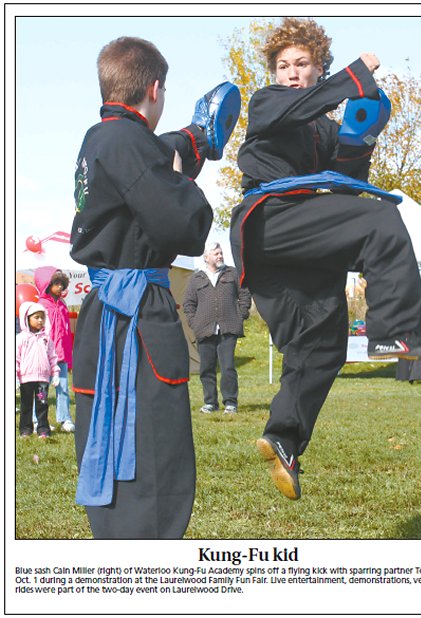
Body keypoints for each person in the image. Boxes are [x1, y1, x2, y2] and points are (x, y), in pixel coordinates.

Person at [229, 17, 421, 500]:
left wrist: (361, 137)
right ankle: (397, 332)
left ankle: (283, 438)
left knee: (321, 345)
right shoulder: (268, 103)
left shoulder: (321, 128)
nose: (291, 72)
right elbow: (305, 107)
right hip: (271, 218)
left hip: (304, 241)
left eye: (302, 64)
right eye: (283, 65)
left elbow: (342, 175)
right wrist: (357, 75)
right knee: (380, 222)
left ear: (317, 68)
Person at [69, 36, 239, 539]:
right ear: (155, 88)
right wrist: (186, 179)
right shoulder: (128, 144)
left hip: (104, 309)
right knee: (154, 452)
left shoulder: (100, 139)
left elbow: (145, 166)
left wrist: (191, 140)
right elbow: (185, 227)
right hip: (138, 315)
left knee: (114, 436)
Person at [183, 241, 252, 414]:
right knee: (207, 368)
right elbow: (188, 304)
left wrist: (241, 315)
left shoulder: (232, 273)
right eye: (216, 254)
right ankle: (210, 403)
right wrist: (194, 322)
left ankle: (230, 403)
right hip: (204, 329)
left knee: (228, 367)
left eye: (221, 253)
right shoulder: (196, 278)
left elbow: (244, 294)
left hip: (228, 328)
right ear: (206, 257)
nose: (220, 256)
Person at [34, 266, 75, 432]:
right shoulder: (40, 306)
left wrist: (69, 357)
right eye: (55, 283)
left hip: (62, 356)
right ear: (47, 284)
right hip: (45, 356)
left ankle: (65, 418)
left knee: (63, 388)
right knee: (42, 389)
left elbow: (65, 333)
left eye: (61, 283)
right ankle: (38, 420)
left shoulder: (63, 305)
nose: (60, 287)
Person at [16, 301, 60, 439]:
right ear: (27, 319)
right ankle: (25, 430)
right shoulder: (21, 338)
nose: (40, 320)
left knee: (42, 404)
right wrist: (16, 377)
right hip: (26, 379)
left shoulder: (46, 339)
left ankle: (43, 430)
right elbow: (15, 358)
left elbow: (53, 357)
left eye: (42, 317)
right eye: (36, 317)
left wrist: (56, 374)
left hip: (43, 380)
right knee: (26, 405)